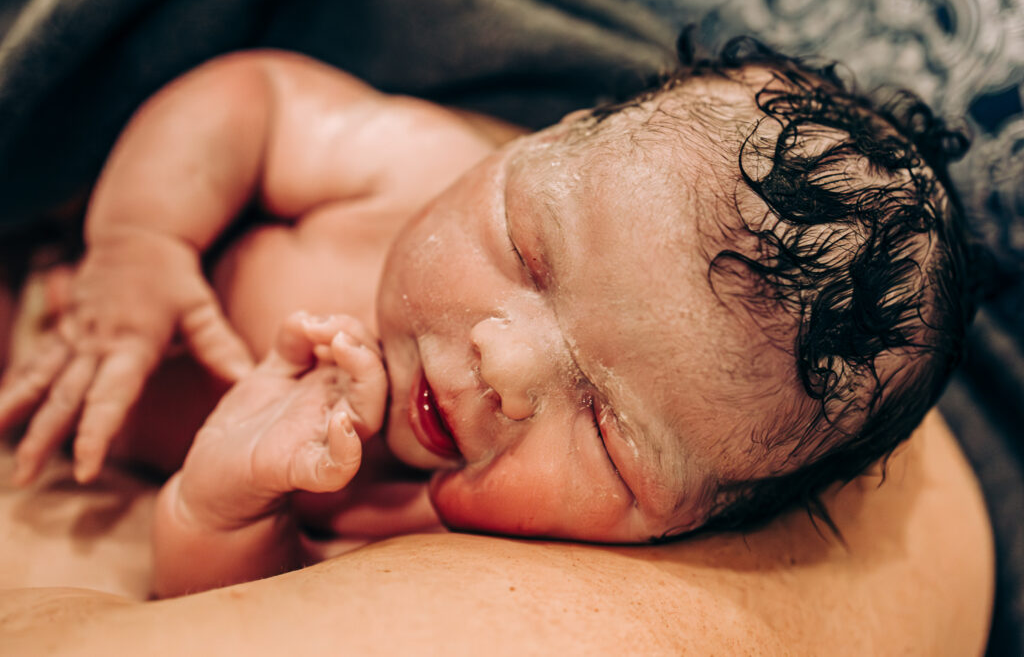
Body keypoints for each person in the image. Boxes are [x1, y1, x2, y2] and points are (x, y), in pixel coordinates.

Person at [0, 38, 977, 598]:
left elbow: (217, 612)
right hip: (51, 267)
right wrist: (140, 241)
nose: (504, 365)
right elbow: (250, 99)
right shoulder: (412, 165)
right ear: (543, 142)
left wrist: (224, 509)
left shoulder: (434, 534)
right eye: (529, 252)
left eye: (605, 426)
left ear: (686, 525)